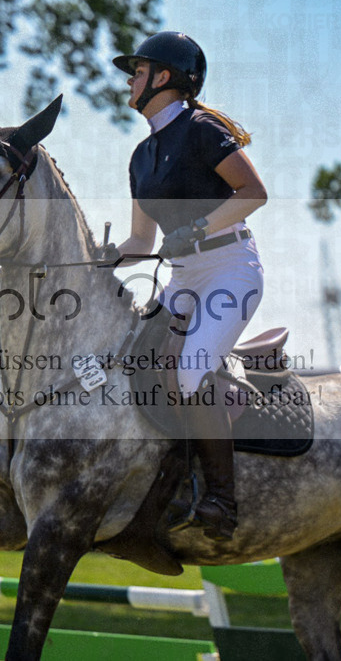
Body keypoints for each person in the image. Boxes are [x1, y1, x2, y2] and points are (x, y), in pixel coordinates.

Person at [112, 32, 267, 541]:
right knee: (132, 363)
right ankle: (167, 481)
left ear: (163, 78)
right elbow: (140, 240)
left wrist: (198, 229)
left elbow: (254, 192)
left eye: (137, 72)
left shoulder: (201, 130)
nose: (129, 82)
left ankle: (222, 498)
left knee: (189, 373)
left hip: (229, 269)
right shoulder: (140, 157)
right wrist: (97, 256)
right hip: (183, 277)